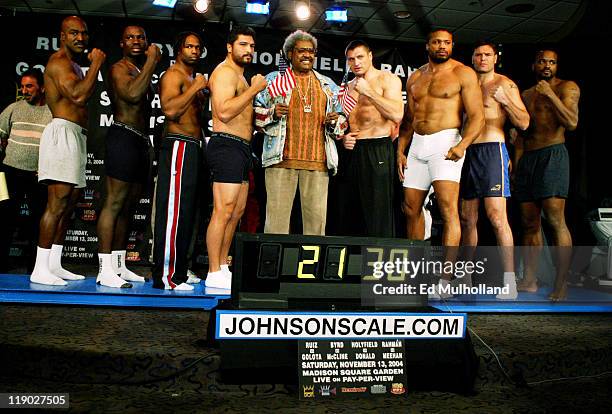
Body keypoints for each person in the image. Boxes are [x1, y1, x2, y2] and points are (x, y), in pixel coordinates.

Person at [397, 29, 484, 291]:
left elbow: (477, 116)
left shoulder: (463, 73)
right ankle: (415, 274)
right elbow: (409, 120)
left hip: (446, 142)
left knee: (448, 210)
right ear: (428, 45)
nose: (442, 46)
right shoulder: (415, 77)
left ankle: (444, 280)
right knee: (410, 209)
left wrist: (462, 145)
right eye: (437, 42)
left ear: (452, 46)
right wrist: (400, 150)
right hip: (417, 145)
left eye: (446, 42)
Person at [30, 16, 106, 286]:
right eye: (74, 33)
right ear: (62, 36)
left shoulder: (74, 64)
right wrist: (96, 63)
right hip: (62, 132)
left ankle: (54, 264)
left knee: (70, 202)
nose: (80, 38)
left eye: (84, 33)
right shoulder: (59, 63)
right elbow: (78, 96)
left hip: (75, 135)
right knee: (57, 203)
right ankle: (40, 268)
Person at [461, 41, 530, 299]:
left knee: (497, 217)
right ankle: (465, 278)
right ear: (472, 58)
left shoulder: (504, 84)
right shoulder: (466, 84)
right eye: (478, 54)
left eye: (487, 55)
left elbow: (523, 122)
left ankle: (509, 282)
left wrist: (505, 102)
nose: (482, 59)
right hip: (468, 152)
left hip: (492, 151)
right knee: (467, 218)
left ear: (495, 58)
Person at [255, 30, 340, 235]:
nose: (307, 55)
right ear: (289, 54)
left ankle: (311, 268)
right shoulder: (275, 80)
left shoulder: (327, 85)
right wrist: (272, 113)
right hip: (280, 160)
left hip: (319, 163)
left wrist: (334, 122)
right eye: (301, 51)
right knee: (276, 225)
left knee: (316, 227)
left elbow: (342, 120)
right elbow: (254, 115)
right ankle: (274, 267)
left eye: (311, 51)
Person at [95, 26, 161, 288]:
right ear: (122, 43)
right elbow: (132, 95)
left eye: (141, 37)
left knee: (129, 207)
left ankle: (120, 266)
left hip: (140, 141)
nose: (136, 41)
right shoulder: (118, 68)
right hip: (123, 137)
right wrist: (153, 61)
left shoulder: (136, 69)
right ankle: (104, 268)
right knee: (114, 203)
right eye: (131, 38)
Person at [514, 49, 580, 301]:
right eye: (542, 61)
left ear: (557, 66)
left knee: (555, 220)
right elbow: (521, 135)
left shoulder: (568, 87)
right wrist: (517, 166)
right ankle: (529, 280)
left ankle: (561, 284)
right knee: (529, 223)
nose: (547, 65)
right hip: (528, 159)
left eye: (552, 62)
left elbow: (572, 122)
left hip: (553, 154)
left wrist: (550, 95)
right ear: (534, 65)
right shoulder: (526, 94)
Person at [206, 26, 267, 290]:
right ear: (230, 47)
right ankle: (212, 270)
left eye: (252, 46)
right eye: (243, 44)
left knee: (237, 212)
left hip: (242, 147)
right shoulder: (224, 73)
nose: (249, 50)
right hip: (226, 146)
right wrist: (254, 91)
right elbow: (224, 112)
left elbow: (242, 116)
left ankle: (222, 266)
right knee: (223, 210)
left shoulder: (242, 79)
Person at [151, 31, 207, 291]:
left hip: (194, 147)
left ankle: (181, 270)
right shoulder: (172, 75)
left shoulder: (190, 78)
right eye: (189, 46)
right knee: (173, 213)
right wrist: (195, 88)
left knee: (187, 213)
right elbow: (170, 110)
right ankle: (168, 276)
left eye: (197, 47)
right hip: (178, 146)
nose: (194, 51)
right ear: (178, 50)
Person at [335, 40, 403, 237]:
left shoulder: (387, 80)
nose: (356, 63)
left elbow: (397, 115)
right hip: (352, 152)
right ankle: (352, 263)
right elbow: (339, 122)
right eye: (350, 59)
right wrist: (343, 138)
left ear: (370, 56)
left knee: (378, 212)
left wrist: (368, 92)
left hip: (378, 148)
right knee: (349, 212)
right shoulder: (345, 88)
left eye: (360, 57)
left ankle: (377, 264)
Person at [0, 69, 52, 272]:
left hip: (37, 175)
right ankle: (1, 265)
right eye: (22, 86)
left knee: (37, 222)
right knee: (4, 219)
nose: (24, 90)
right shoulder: (13, 108)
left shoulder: (52, 112)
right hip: (8, 172)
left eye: (29, 86)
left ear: (42, 87)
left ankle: (36, 267)